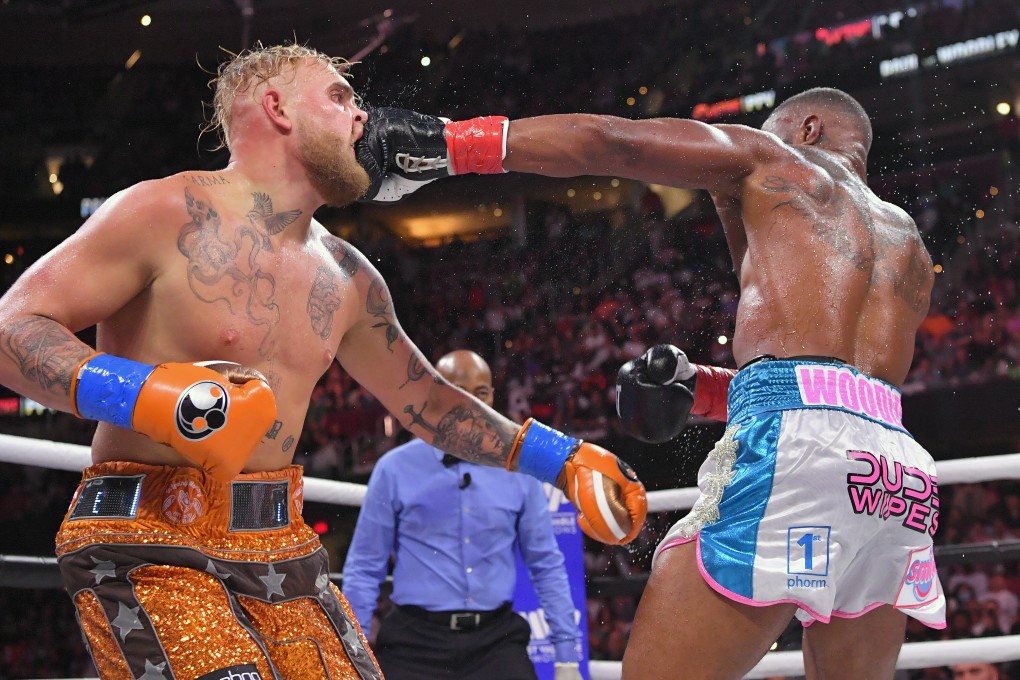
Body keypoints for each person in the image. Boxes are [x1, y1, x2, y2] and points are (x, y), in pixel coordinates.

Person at [0, 44, 645, 680]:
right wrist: (153, 397)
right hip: (149, 538)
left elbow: (430, 402)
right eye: (339, 96)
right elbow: (12, 328)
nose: (362, 117)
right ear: (277, 107)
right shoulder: (163, 212)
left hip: (279, 543)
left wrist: (558, 459)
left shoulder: (349, 276)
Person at [356, 86, 945, 679]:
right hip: (897, 476)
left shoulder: (775, 160)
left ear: (809, 129)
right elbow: (843, 384)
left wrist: (447, 143)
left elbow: (607, 140)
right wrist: (704, 387)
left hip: (799, 454)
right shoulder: (908, 246)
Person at [343, 349, 584, 680]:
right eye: (457, 390)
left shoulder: (521, 472)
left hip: (495, 641)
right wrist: (353, 655)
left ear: (493, 397)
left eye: (481, 392)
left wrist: (567, 657)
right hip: (414, 641)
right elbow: (365, 567)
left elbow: (546, 564)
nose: (471, 403)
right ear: (436, 394)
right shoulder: (394, 470)